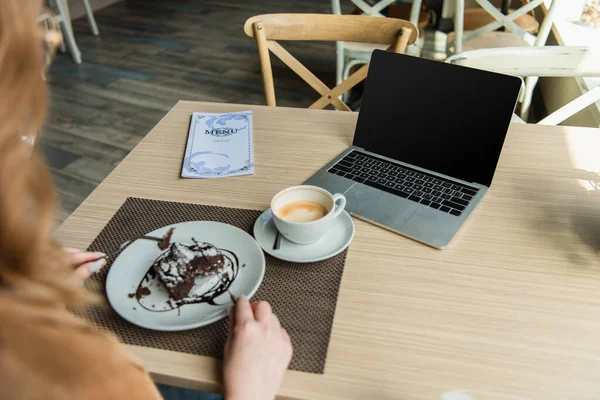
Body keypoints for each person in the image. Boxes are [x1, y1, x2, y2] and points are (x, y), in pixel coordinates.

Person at [0, 1, 292, 399]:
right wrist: (251, 390)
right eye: (38, 44)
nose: (42, 76)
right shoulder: (80, 374)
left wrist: (19, 281)